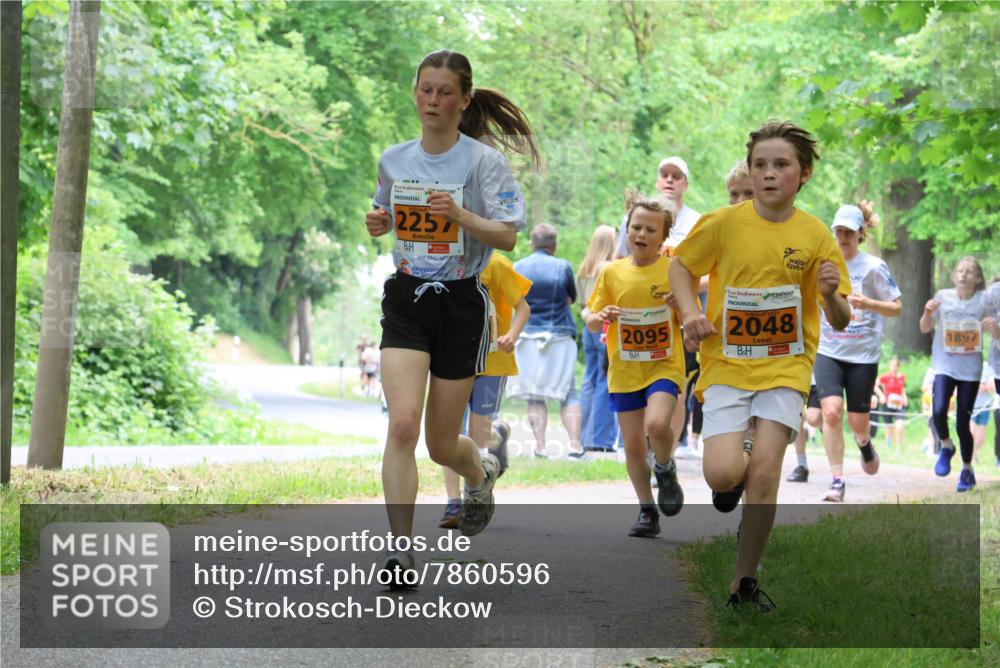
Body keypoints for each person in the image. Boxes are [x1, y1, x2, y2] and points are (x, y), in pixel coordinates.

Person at [365, 49, 539, 584]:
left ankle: (479, 470)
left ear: (464, 100)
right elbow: (389, 214)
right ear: (414, 93)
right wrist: (380, 221)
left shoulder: (482, 163)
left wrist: (462, 216)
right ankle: (400, 551)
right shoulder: (394, 159)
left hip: (462, 303)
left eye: (444, 91)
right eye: (425, 89)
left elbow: (509, 234)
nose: (433, 100)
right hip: (408, 297)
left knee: (441, 443)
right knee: (401, 424)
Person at [670, 120, 851, 611]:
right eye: (760, 166)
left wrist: (831, 295)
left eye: (781, 165)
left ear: (804, 173)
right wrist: (689, 314)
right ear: (750, 172)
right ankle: (734, 473)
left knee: (767, 471)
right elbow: (681, 268)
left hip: (787, 366)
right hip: (727, 363)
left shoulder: (815, 235)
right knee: (723, 474)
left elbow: (840, 315)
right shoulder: (724, 224)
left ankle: (744, 583)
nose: (769, 174)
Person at [587, 194, 686, 537]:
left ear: (663, 237)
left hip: (664, 365)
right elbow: (588, 314)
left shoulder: (674, 270)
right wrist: (598, 316)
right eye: (635, 227)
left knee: (658, 424)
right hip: (625, 368)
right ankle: (647, 510)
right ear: (626, 230)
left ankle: (665, 466)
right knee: (632, 445)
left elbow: (690, 315)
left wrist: (679, 305)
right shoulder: (612, 272)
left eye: (650, 229)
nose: (641, 234)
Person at [813, 202, 902, 502]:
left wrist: (870, 304)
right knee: (831, 411)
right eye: (838, 231)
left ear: (860, 233)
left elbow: (897, 307)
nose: (843, 237)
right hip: (828, 349)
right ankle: (837, 480)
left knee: (857, 423)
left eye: (849, 232)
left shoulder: (875, 267)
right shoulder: (823, 264)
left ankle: (864, 443)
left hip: (862, 355)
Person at [439, 252, 532, 528]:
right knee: (450, 433)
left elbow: (523, 308)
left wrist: (511, 335)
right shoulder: (443, 261)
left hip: (492, 361)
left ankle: (494, 441)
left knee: (478, 432)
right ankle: (453, 502)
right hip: (454, 358)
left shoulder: (497, 263)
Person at [508, 223, 586, 459]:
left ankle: (540, 447)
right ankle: (574, 445)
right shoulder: (563, 267)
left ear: (532, 243)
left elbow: (515, 301)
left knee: (534, 394)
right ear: (554, 245)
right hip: (559, 335)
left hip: (527, 337)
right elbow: (571, 298)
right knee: (568, 392)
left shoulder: (518, 266)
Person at [920, 256, 993, 492]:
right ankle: (946, 446)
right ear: (954, 276)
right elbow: (924, 327)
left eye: (969, 272)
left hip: (970, 370)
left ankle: (967, 469)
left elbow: (998, 332)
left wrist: (994, 327)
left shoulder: (984, 301)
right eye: (960, 271)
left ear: (978, 278)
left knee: (963, 423)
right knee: (938, 409)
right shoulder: (943, 296)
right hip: (944, 364)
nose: (963, 275)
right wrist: (927, 312)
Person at [576, 224, 620, 452]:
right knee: (607, 380)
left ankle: (584, 436)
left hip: (589, 327)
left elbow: (582, 304)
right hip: (606, 327)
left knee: (589, 380)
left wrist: (588, 317)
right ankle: (601, 439)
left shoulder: (584, 268)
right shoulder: (611, 268)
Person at [876, 356, 908, 451]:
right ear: (889, 366)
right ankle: (888, 446)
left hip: (899, 405)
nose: (894, 367)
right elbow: (874, 385)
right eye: (892, 365)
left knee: (900, 425)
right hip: (887, 405)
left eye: (895, 365)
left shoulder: (902, 377)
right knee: (889, 428)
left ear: (898, 366)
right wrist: (881, 395)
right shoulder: (885, 377)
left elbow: (902, 388)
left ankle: (898, 447)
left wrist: (905, 397)